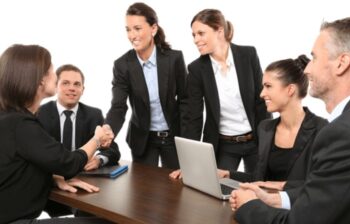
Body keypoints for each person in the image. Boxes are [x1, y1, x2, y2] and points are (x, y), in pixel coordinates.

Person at [230, 17, 350, 224]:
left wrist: (249, 205)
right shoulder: (266, 127)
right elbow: (330, 193)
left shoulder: (342, 132)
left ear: (341, 63)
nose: (307, 69)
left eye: (314, 58)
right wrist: (277, 198)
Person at [0, 44, 113, 224]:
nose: (55, 75)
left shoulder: (10, 118)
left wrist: (52, 178)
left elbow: (19, 167)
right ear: (39, 80)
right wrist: (97, 139)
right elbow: (68, 163)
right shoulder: (21, 124)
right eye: (52, 70)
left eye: (77, 84)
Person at [171, 9, 269, 179]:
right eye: (193, 35)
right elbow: (193, 117)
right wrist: (188, 162)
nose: (196, 40)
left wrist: (269, 140)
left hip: (255, 141)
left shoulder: (248, 55)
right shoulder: (196, 69)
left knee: (260, 188)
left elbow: (261, 101)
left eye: (201, 33)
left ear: (219, 31)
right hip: (224, 145)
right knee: (217, 192)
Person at [217, 55, 327, 190]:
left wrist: (281, 186)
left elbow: (323, 184)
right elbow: (259, 180)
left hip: (299, 208)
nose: (262, 94)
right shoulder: (265, 128)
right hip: (266, 206)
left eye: (268, 86)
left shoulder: (321, 129)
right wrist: (228, 174)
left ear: (290, 90)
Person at [105, 2, 187, 169]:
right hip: (142, 138)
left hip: (173, 137)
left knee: (176, 189)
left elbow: (186, 100)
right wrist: (108, 129)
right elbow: (118, 106)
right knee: (143, 190)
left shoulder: (174, 59)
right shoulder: (122, 65)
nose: (132, 35)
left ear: (153, 29)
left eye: (137, 28)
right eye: (128, 29)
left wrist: (188, 138)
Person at [37, 64, 120, 217]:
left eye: (77, 84)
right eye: (65, 83)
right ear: (56, 86)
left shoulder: (93, 114)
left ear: (83, 89)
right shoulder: (40, 113)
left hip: (83, 182)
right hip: (51, 183)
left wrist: (99, 160)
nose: (72, 88)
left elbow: (113, 150)